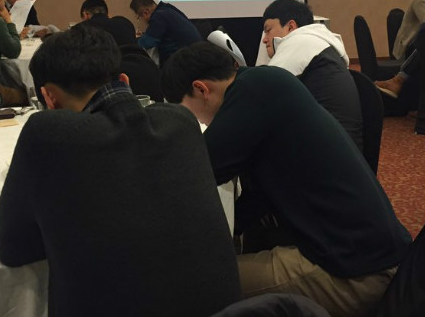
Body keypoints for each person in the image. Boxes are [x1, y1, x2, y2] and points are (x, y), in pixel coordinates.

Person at [0, 25, 241, 316]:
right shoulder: (182, 122)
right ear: (124, 80)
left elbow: (12, 249)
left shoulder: (47, 133)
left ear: (49, 98)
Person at [161, 42, 411, 317]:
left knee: (189, 282)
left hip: (353, 274)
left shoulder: (253, 93)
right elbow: (258, 196)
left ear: (201, 89)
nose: (201, 123)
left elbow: (195, 172)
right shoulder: (264, 82)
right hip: (372, 255)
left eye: (189, 113)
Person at [262, 0, 363, 151]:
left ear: (291, 27)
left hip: (326, 154)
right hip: (339, 150)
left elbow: (264, 93)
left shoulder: (300, 41)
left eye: (268, 30)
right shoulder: (320, 45)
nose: (264, 39)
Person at [129, 0, 202, 65]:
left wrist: (135, 39)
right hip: (196, 55)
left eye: (139, 17)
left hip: (185, 61)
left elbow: (147, 43)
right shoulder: (167, 8)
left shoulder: (159, 17)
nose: (142, 20)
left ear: (145, 13)